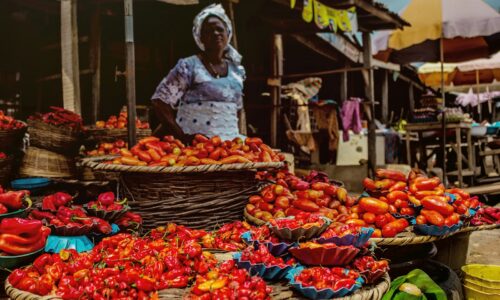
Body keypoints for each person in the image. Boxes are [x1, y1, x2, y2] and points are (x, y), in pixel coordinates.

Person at [151, 4, 245, 143]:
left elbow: (236, 110)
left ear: (228, 33)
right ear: (200, 37)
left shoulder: (237, 71)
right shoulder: (188, 66)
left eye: (220, 29)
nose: (215, 33)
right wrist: (181, 136)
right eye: (208, 31)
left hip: (229, 147)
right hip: (195, 148)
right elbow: (160, 102)